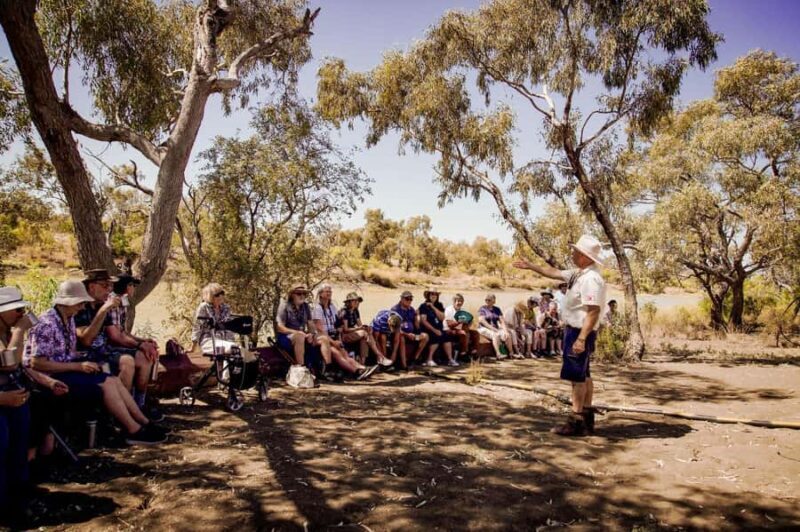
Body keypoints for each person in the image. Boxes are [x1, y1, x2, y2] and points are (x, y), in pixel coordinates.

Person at [25, 281, 166, 445]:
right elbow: (37, 364)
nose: (82, 307)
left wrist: (83, 361)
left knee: (112, 379)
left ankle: (143, 422)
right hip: (50, 376)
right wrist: (78, 366)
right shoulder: (47, 324)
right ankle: (132, 429)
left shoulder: (67, 319)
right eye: (80, 303)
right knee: (106, 383)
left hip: (65, 368)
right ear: (69, 302)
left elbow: (65, 353)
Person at [514, 234, 607, 436]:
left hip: (579, 331)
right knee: (584, 373)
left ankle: (576, 421)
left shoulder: (591, 279)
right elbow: (554, 272)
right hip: (577, 330)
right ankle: (586, 416)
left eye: (576, 251)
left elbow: (593, 311)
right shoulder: (578, 274)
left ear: (585, 256)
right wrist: (531, 266)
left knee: (576, 377)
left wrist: (581, 339)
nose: (572, 253)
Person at [0, 287, 68, 511]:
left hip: (16, 398)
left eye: (22, 309)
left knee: (19, 443)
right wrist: (20, 331)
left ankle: (19, 490)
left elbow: (20, 366)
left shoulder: (7, 333)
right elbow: (8, 362)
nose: (21, 314)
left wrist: (47, 381)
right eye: (16, 310)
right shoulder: (12, 333)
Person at [75, 269, 158, 420]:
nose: (109, 289)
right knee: (127, 362)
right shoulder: (80, 307)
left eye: (110, 286)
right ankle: (120, 416)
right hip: (86, 356)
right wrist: (104, 310)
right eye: (105, 285)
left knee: (143, 357)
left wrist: (141, 343)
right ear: (91, 287)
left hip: (104, 351)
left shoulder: (101, 305)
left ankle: (138, 406)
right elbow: (86, 341)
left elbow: (117, 332)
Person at [106, 273, 162, 420]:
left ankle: (139, 404)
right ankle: (131, 406)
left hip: (118, 343)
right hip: (108, 347)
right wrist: (140, 345)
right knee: (142, 358)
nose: (133, 288)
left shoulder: (123, 302)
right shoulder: (112, 302)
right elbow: (115, 336)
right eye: (131, 285)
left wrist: (144, 340)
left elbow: (123, 332)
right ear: (125, 287)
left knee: (147, 356)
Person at [312, 284, 375, 380]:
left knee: (344, 353)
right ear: (320, 294)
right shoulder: (317, 308)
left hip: (333, 336)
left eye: (330, 291)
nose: (329, 293)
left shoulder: (332, 307)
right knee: (336, 352)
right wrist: (333, 342)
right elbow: (319, 329)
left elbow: (339, 324)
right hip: (322, 337)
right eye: (327, 291)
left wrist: (338, 337)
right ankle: (355, 372)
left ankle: (362, 368)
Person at [338, 292, 392, 367]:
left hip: (353, 333)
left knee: (365, 336)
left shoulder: (355, 311)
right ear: (349, 302)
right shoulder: (344, 312)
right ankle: (380, 356)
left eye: (358, 301)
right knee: (364, 334)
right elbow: (345, 329)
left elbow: (360, 324)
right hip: (344, 335)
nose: (357, 303)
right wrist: (359, 328)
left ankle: (363, 363)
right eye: (355, 301)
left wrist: (366, 328)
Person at [274, 285, 316, 366]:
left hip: (302, 334)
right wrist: (297, 332)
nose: (302, 296)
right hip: (286, 337)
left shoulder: (305, 306)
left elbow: (310, 323)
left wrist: (312, 334)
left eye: (304, 294)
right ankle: (301, 368)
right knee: (299, 336)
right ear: (292, 295)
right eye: (299, 294)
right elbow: (279, 327)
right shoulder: (285, 306)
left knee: (320, 338)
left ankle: (321, 368)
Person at [418, 289, 458, 367]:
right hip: (428, 328)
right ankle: (429, 359)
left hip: (439, 328)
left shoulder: (439, 305)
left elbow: (442, 318)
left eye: (435, 294)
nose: (433, 295)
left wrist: (433, 307)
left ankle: (450, 359)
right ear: (428, 295)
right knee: (436, 336)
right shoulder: (423, 306)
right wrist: (434, 330)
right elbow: (423, 321)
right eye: (432, 294)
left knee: (446, 336)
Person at [390, 291, 429, 370]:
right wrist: (407, 334)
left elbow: (416, 324)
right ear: (401, 299)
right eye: (407, 299)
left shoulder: (411, 310)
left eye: (411, 299)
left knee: (425, 336)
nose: (409, 301)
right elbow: (394, 328)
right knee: (401, 338)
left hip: (411, 335)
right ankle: (404, 365)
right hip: (400, 334)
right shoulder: (395, 310)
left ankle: (414, 359)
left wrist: (416, 332)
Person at [477, 294, 513, 359]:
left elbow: (502, 321)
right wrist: (493, 329)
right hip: (484, 328)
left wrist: (505, 331)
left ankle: (511, 353)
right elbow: (482, 321)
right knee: (495, 335)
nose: (487, 301)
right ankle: (498, 354)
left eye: (489, 300)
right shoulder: (482, 309)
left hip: (495, 328)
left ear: (494, 301)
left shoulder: (497, 309)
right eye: (486, 300)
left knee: (507, 335)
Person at [444, 294, 478, 359]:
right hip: (448, 330)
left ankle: (474, 352)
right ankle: (463, 354)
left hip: (459, 329)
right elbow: (449, 324)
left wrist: (469, 323)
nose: (460, 303)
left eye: (461, 301)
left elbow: (468, 321)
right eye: (458, 301)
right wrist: (459, 322)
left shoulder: (463, 310)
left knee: (475, 333)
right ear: (454, 301)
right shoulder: (449, 309)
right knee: (464, 333)